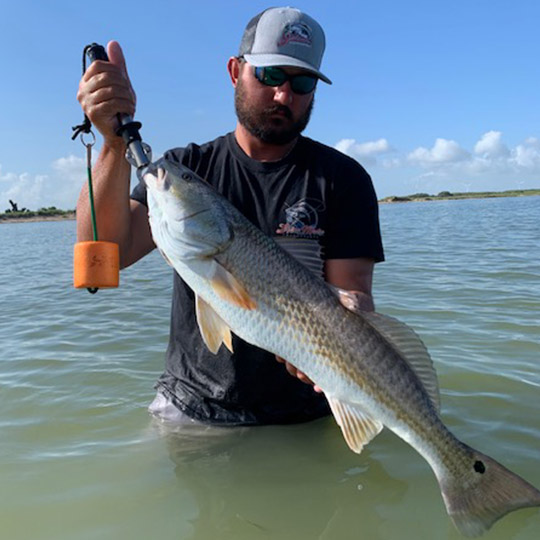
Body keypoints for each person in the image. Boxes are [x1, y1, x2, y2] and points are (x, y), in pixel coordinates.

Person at [76, 7, 384, 426]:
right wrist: (113, 145)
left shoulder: (343, 179)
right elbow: (101, 263)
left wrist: (345, 331)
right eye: (270, 76)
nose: (284, 95)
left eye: (303, 82)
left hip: (309, 412)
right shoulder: (189, 169)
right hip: (191, 408)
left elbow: (353, 296)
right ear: (235, 70)